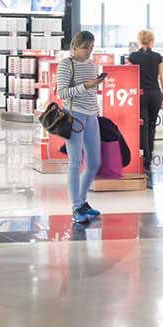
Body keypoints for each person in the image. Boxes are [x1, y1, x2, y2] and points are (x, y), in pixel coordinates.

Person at [56, 31, 104, 224]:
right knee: (75, 162)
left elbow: (92, 93)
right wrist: (86, 85)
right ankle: (76, 207)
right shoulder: (66, 65)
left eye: (91, 48)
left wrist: (94, 89)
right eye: (85, 48)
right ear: (75, 47)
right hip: (74, 115)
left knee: (94, 162)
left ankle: (83, 202)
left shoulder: (92, 65)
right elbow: (62, 93)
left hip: (92, 116)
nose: (88, 52)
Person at [127, 29, 163, 172]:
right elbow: (161, 77)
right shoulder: (157, 57)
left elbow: (128, 75)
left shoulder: (133, 57)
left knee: (143, 124)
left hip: (140, 94)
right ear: (152, 41)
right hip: (155, 93)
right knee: (152, 124)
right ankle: (150, 154)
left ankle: (145, 155)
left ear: (139, 40)